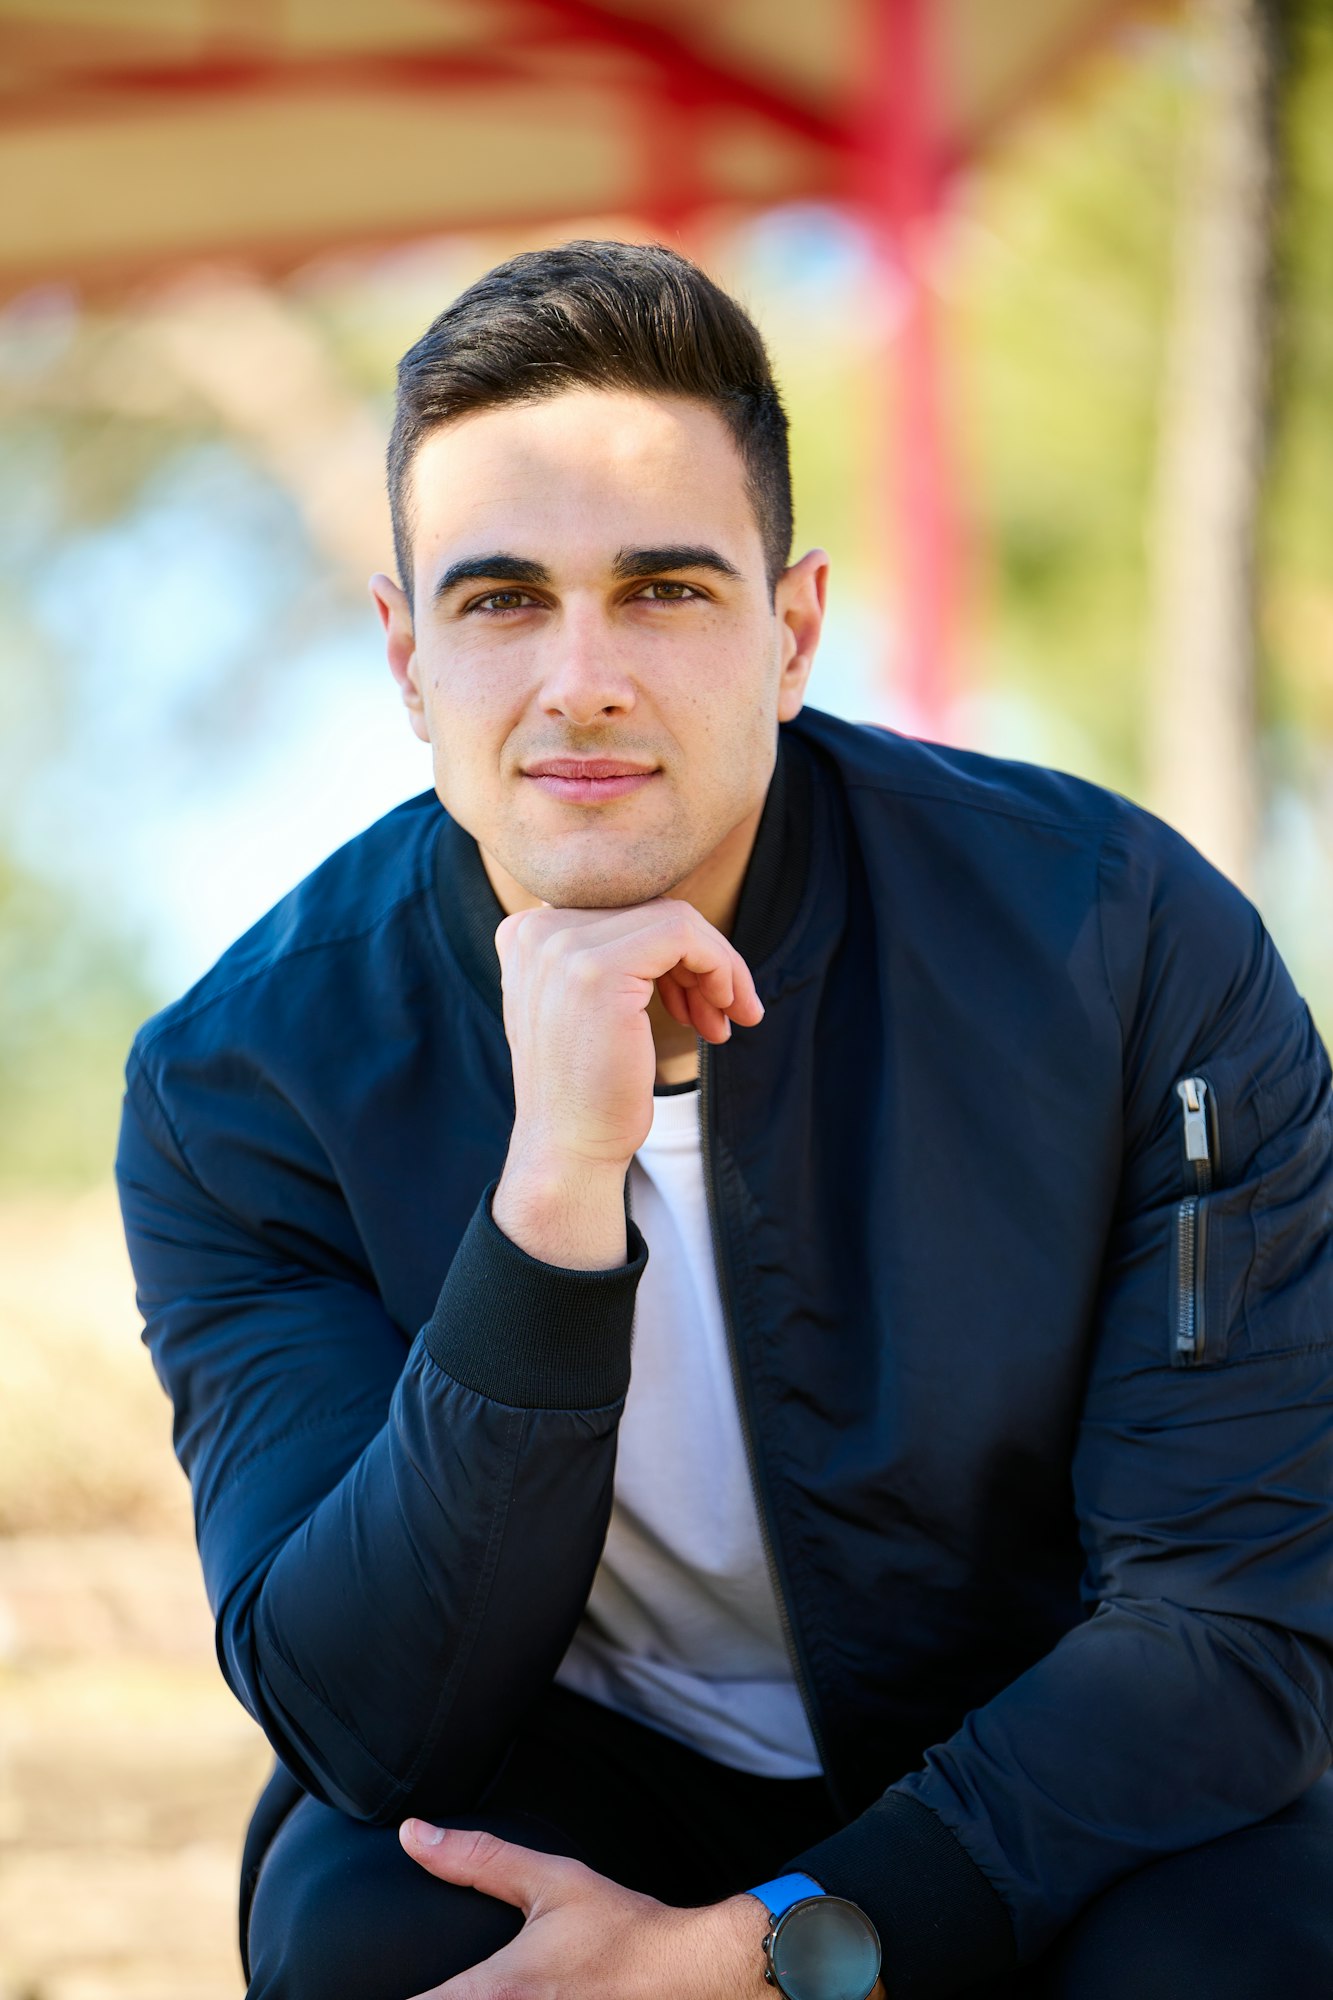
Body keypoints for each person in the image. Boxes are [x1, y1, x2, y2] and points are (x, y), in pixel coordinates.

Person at [115, 240, 1333, 2000]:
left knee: (1248, 1952)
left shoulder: (1116, 938)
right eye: (500, 600)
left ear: (795, 630)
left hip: (1045, 1767)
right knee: (369, 1940)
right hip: (580, 1778)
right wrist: (551, 1194)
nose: (582, 679)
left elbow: (1231, 1619)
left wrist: (775, 1953)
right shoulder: (248, 1076)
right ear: (404, 655)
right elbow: (358, 1714)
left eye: (666, 590)